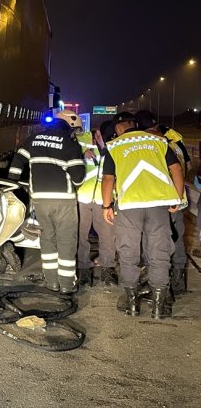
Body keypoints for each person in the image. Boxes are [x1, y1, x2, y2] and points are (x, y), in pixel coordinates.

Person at [101, 111, 185, 319]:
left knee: (128, 253)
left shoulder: (114, 146)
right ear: (135, 124)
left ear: (118, 127)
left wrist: (106, 206)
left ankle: (131, 304)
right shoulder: (158, 141)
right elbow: (176, 170)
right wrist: (177, 197)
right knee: (159, 253)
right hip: (158, 204)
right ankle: (158, 306)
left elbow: (108, 179)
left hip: (130, 206)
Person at [9, 109, 86, 294]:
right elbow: (78, 178)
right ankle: (67, 285)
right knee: (66, 240)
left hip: (40, 199)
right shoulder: (69, 143)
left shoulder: (33, 139)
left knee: (47, 239)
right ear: (69, 128)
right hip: (64, 200)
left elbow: (18, 161)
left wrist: (12, 185)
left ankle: (51, 281)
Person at [135, 111, 189, 295]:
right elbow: (184, 167)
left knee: (155, 241)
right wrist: (179, 197)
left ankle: (158, 284)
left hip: (160, 200)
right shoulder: (175, 140)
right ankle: (178, 281)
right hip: (177, 200)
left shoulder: (152, 144)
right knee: (176, 239)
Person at [76, 122, 118, 287]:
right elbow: (69, 157)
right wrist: (81, 155)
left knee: (108, 236)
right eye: (102, 137)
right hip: (83, 198)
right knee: (81, 235)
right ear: (97, 132)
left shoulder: (113, 146)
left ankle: (108, 270)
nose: (103, 141)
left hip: (104, 200)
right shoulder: (81, 140)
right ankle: (84, 270)